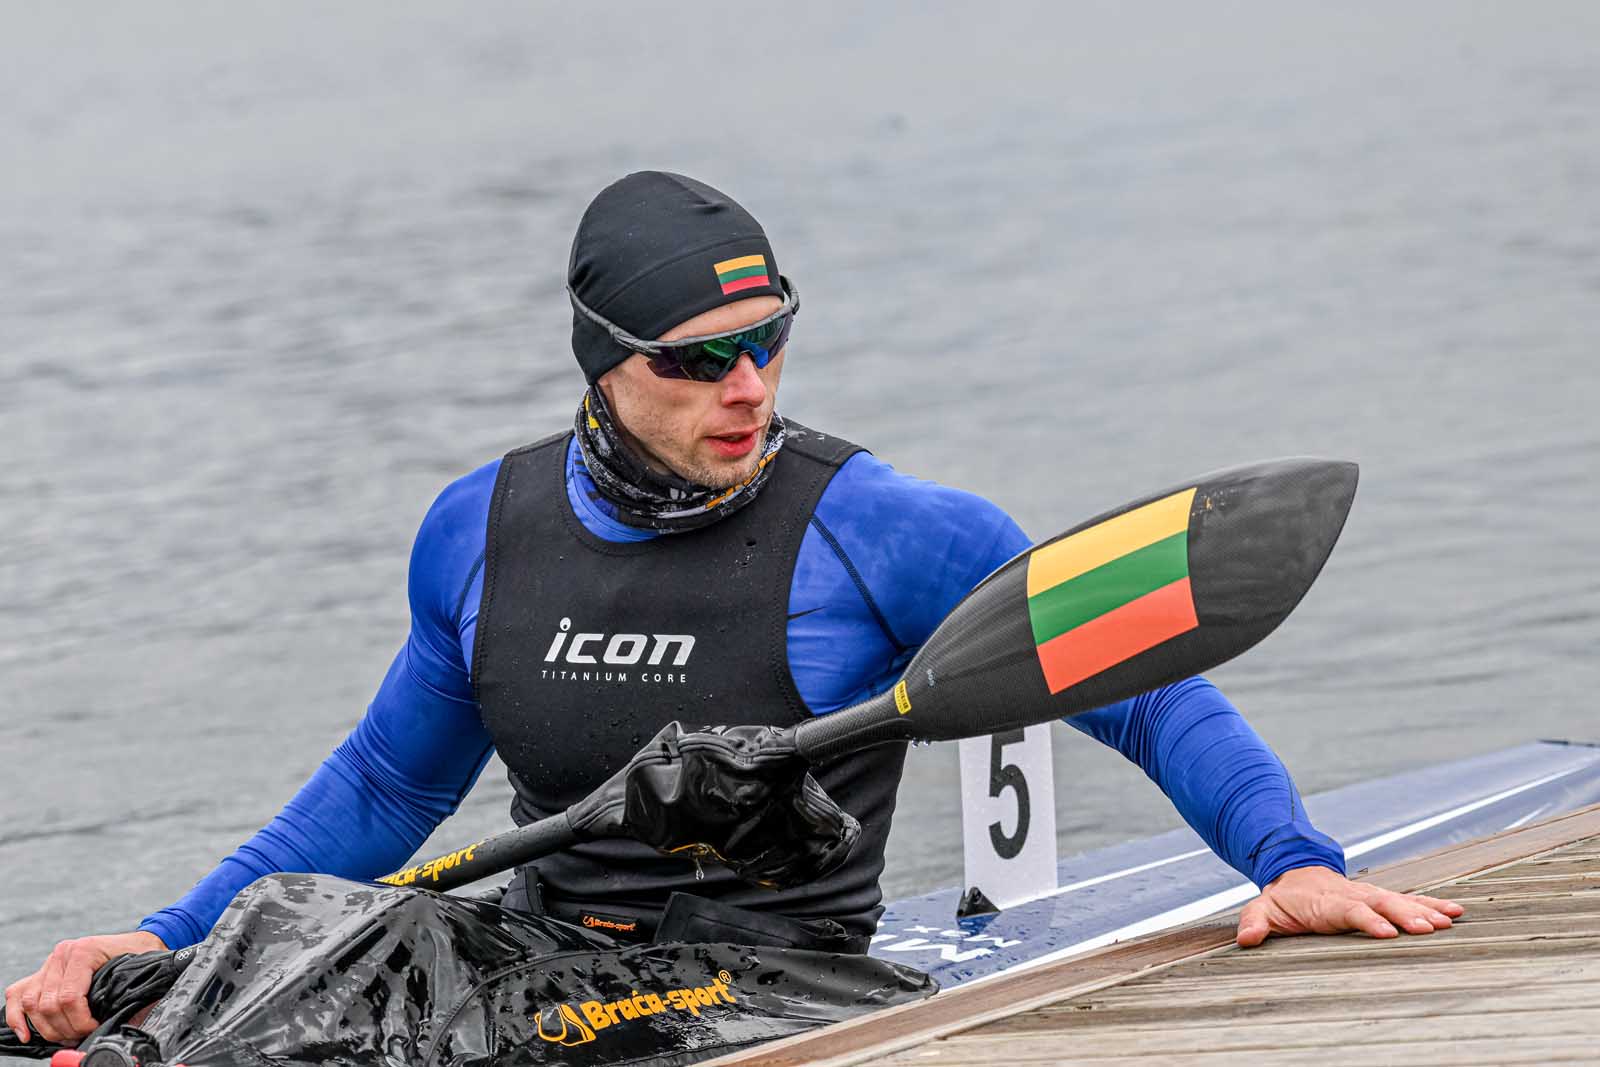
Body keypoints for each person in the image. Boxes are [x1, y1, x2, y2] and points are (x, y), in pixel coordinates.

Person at [5, 171, 1463, 1046]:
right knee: (287, 940)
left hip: (787, 984)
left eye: (767, 341)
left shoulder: (892, 530)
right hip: (543, 964)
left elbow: (1143, 686)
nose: (748, 388)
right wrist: (160, 942)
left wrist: (1289, 860)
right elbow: (388, 786)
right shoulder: (479, 532)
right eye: (698, 362)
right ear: (603, 366)